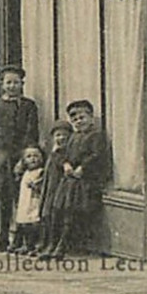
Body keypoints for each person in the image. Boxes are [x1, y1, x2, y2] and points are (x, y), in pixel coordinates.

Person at [0, 65, 41, 253]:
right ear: (3, 85)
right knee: (3, 199)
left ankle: (20, 239)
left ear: (22, 84)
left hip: (22, 159)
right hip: (0, 159)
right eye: (9, 82)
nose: (12, 86)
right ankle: (2, 237)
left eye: (16, 83)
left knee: (23, 198)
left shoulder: (29, 106)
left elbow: (32, 133)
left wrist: (24, 158)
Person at [40, 99, 108, 258]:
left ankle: (62, 246)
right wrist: (65, 164)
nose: (79, 121)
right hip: (69, 179)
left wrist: (82, 167)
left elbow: (96, 155)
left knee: (70, 211)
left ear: (91, 118)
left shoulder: (96, 136)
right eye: (74, 119)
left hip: (84, 180)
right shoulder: (73, 137)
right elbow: (62, 154)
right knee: (57, 208)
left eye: (82, 117)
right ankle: (52, 244)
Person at [36, 119, 73, 257]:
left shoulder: (67, 153)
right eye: (58, 135)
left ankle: (54, 244)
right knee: (46, 214)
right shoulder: (53, 152)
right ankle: (46, 243)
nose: (61, 138)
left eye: (65, 135)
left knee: (55, 214)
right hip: (49, 187)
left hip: (59, 188)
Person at [10, 145, 47, 255]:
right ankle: (27, 245)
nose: (33, 158)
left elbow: (42, 187)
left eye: (36, 156)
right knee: (24, 224)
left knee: (35, 224)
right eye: (29, 156)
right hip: (25, 202)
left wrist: (35, 186)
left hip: (34, 201)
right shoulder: (25, 173)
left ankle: (36, 246)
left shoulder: (41, 172)